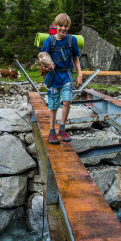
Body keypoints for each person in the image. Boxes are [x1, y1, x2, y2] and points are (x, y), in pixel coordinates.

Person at [42, 13, 82, 144]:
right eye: (60, 26)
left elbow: (76, 58)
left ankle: (62, 129)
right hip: (53, 76)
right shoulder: (49, 41)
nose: (63, 28)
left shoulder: (72, 40)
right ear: (55, 25)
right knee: (53, 104)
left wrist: (80, 74)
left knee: (67, 101)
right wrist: (46, 68)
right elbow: (43, 58)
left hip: (67, 75)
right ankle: (52, 131)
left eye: (66, 26)